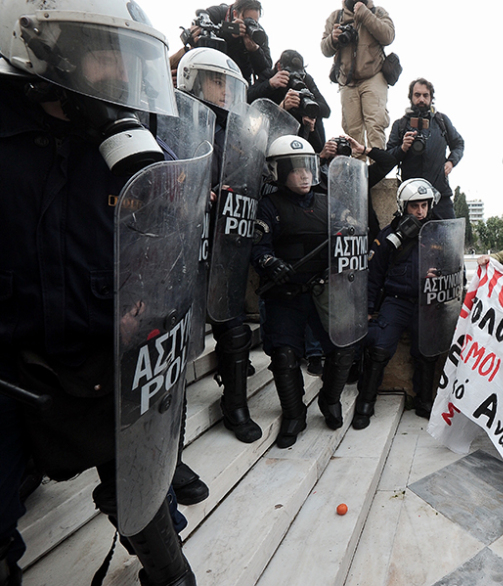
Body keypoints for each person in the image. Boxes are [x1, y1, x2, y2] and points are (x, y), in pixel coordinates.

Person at [0, 0, 197, 583]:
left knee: (145, 503)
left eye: (127, 56)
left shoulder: (131, 139)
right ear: (47, 50)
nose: (121, 71)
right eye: (105, 54)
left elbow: (170, 233)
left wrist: (124, 145)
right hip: (10, 358)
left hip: (109, 352)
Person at [177, 47, 262, 452]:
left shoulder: (235, 134)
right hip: (181, 249)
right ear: (193, 80)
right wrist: (194, 190)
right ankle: (167, 426)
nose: (225, 90)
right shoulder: (175, 121)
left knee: (234, 326)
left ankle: (236, 405)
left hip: (223, 244)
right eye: (216, 81)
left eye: (229, 84)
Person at [252, 137, 358, 448]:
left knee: (343, 347)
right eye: (296, 169)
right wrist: (271, 264)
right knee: (284, 355)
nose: (305, 175)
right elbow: (257, 248)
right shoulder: (268, 206)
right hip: (285, 294)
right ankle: (294, 413)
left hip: (325, 292)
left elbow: (353, 240)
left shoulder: (330, 203)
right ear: (279, 172)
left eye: (308, 168)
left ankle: (330, 399)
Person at [352, 179, 443, 429]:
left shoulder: (439, 234)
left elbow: (454, 271)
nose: (420, 211)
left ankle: (424, 401)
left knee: (427, 353)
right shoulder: (388, 236)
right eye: (415, 206)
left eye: (424, 205)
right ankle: (365, 402)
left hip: (427, 303)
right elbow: (373, 275)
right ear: (404, 206)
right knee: (379, 349)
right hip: (396, 301)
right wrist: (368, 309)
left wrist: (440, 275)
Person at [321, 0, 394, 150]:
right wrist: (332, 39)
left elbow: (388, 36)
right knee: (352, 130)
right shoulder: (336, 16)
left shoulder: (377, 12)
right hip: (347, 81)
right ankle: (356, 164)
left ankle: (377, 164)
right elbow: (325, 50)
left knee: (375, 126)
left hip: (373, 75)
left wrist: (365, 14)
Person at [387, 78, 465, 219]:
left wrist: (451, 161)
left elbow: (458, 144)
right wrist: (403, 148)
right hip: (412, 200)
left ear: (431, 98)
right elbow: (388, 158)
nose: (421, 99)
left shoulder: (442, 121)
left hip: (440, 195)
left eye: (425, 95)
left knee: (448, 233)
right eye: (417, 95)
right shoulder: (400, 125)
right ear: (411, 97)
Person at [248, 50, 332, 152]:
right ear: (279, 67)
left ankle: (318, 154)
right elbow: (248, 98)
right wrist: (270, 85)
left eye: (299, 74)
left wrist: (303, 104)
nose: (295, 77)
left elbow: (326, 110)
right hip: (272, 130)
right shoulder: (269, 75)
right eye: (291, 73)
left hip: (300, 130)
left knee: (313, 113)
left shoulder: (306, 79)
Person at [184, 0, 272, 87]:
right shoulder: (217, 14)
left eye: (254, 22)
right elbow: (197, 39)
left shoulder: (258, 33)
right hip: (209, 71)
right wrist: (229, 33)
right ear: (235, 14)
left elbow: (266, 71)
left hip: (238, 81)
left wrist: (254, 51)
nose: (250, 25)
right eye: (247, 20)